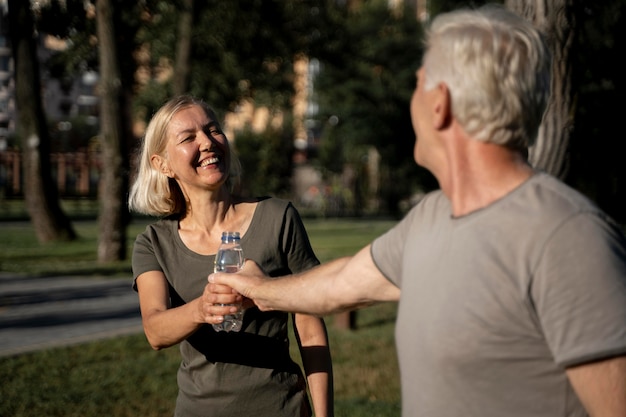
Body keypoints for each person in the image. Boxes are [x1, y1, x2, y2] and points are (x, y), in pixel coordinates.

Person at [208, 5, 626, 417]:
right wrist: (259, 290)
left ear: (440, 103)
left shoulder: (567, 237)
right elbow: (341, 284)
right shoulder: (433, 216)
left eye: (418, 84)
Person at [128, 95, 334, 417]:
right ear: (162, 164)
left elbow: (309, 326)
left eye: (213, 130)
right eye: (189, 138)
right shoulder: (153, 243)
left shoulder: (278, 218)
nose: (208, 142)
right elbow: (155, 330)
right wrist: (202, 308)